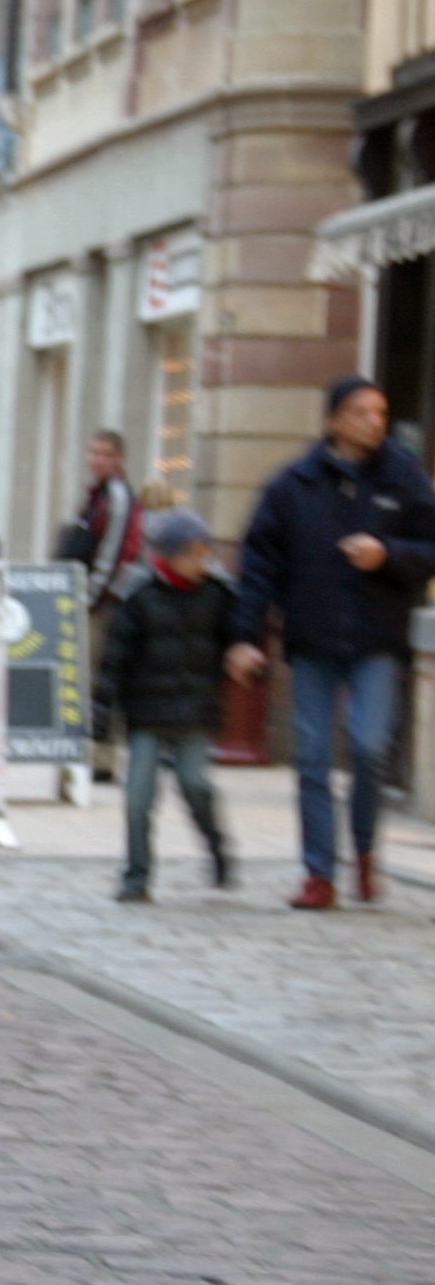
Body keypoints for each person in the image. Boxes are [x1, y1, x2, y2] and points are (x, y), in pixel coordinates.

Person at [227, 376, 435, 909]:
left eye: (381, 412)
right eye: (363, 412)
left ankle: (364, 853)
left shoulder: (404, 478)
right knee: (314, 756)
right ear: (333, 421)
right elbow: (258, 567)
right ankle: (319, 872)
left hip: (376, 639)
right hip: (313, 639)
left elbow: (429, 549)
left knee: (367, 748)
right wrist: (245, 637)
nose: (375, 422)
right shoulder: (293, 485)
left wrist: (385, 553)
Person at [96, 509, 234, 903]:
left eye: (205, 552)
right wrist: (103, 712)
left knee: (195, 784)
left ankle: (216, 846)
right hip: (147, 714)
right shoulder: (138, 594)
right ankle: (136, 876)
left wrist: (247, 663)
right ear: (169, 555)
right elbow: (114, 659)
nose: (201, 560)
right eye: (193, 553)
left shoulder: (218, 595)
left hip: (195, 711)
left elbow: (237, 642)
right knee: (139, 797)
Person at [61, 431, 149, 784]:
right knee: (92, 678)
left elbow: (114, 554)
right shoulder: (96, 496)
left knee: (100, 679)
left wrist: (91, 598)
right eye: (93, 452)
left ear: (119, 459)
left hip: (103, 604)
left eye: (105, 454)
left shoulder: (115, 497)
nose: (97, 459)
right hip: (92, 599)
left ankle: (102, 758)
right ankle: (92, 754)